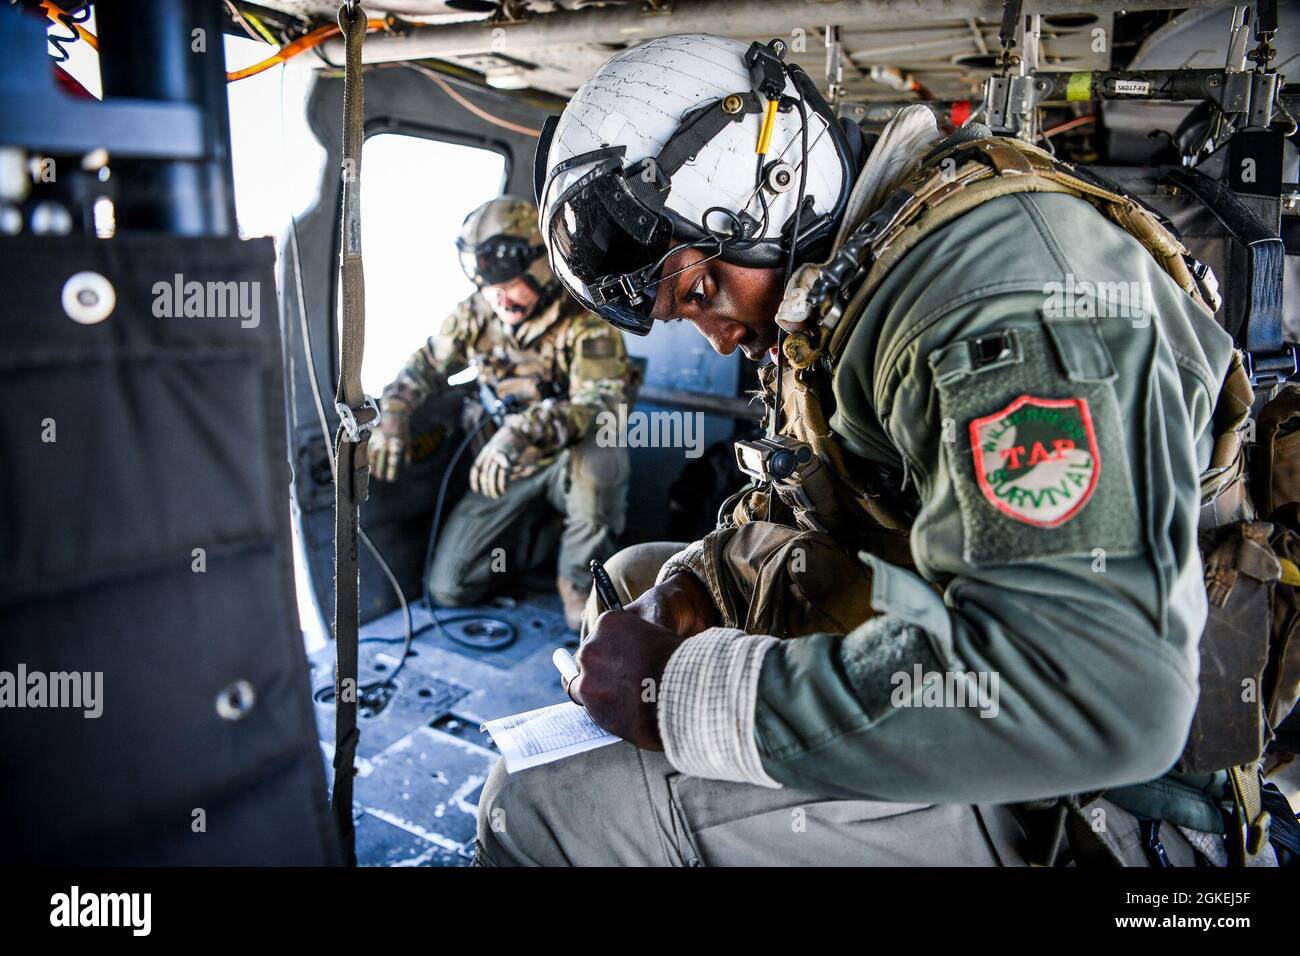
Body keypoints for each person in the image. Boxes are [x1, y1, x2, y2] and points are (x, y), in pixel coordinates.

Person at [473, 34, 1270, 866]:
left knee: (535, 805)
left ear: (778, 181)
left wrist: (681, 698)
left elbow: (1099, 695)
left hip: (1099, 803)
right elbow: (826, 501)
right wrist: (694, 585)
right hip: (958, 649)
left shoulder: (998, 302)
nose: (715, 341)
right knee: (638, 576)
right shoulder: (863, 270)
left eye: (702, 290)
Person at [368, 196, 638, 630]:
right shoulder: (477, 313)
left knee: (603, 457)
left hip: (566, 459)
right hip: (505, 465)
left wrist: (522, 430)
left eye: (509, 284)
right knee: (450, 587)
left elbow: (601, 403)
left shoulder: (584, 318)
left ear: (541, 266)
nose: (499, 298)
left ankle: (578, 589)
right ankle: (542, 539)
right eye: (488, 287)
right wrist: (395, 411)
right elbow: (426, 365)